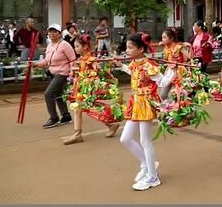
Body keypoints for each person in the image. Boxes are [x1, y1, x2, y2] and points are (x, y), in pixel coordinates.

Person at [115, 32, 175, 191]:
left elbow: (162, 82)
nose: (127, 50)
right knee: (125, 139)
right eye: (127, 47)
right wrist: (121, 66)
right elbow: (133, 73)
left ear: (140, 49)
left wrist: (172, 71)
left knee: (144, 140)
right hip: (135, 102)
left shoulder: (149, 65)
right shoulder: (136, 62)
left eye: (130, 47)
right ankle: (148, 164)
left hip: (146, 103)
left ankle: (152, 177)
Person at [63, 35, 121, 145]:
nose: (75, 48)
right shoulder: (81, 59)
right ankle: (110, 125)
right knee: (83, 109)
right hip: (81, 88)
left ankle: (78, 134)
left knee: (84, 109)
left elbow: (97, 68)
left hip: (88, 89)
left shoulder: (91, 59)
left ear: (85, 47)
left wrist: (96, 68)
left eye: (77, 46)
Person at [33, 24, 76, 129]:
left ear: (59, 33)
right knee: (58, 94)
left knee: (48, 93)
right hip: (53, 73)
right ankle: (66, 115)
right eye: (50, 32)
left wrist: (71, 73)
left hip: (62, 73)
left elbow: (72, 59)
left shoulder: (64, 45)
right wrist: (36, 64)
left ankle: (54, 117)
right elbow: (47, 61)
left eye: (54, 31)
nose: (52, 34)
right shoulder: (50, 45)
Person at [159, 28, 192, 99]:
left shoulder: (179, 47)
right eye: (162, 38)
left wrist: (190, 47)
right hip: (169, 72)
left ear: (171, 38)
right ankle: (171, 106)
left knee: (180, 96)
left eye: (164, 37)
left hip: (179, 73)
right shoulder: (166, 48)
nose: (162, 40)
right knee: (163, 95)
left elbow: (190, 57)